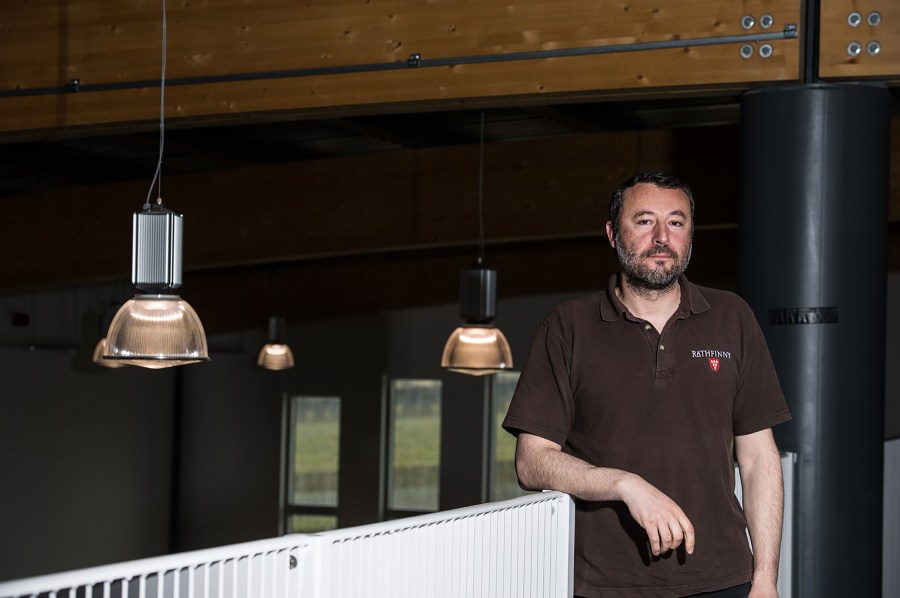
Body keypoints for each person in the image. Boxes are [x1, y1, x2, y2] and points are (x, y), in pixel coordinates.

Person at [502, 171, 791, 598]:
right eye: (644, 221)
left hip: (723, 579)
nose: (661, 237)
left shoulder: (733, 318)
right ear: (613, 234)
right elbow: (532, 462)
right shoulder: (568, 327)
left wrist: (765, 577)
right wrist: (626, 484)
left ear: (690, 235)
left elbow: (757, 458)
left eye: (676, 222)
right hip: (602, 584)